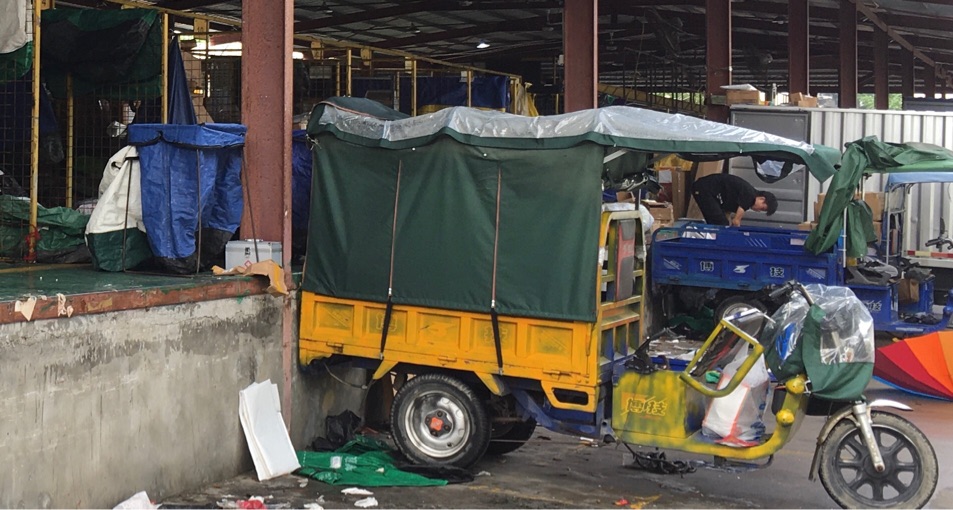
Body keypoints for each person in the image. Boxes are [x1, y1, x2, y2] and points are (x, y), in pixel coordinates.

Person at [691, 173, 777, 226]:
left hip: (706, 191)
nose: (758, 211)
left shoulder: (745, 197)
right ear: (762, 199)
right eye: (762, 208)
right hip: (705, 189)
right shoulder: (749, 195)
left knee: (718, 222)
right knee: (721, 223)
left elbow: (727, 212)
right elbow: (736, 221)